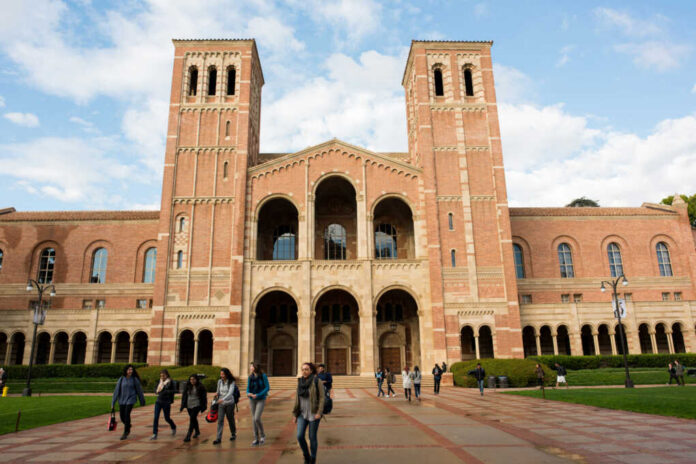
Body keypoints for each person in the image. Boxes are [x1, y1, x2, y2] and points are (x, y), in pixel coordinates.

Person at [293, 362, 325, 464]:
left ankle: (313, 458)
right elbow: (297, 399)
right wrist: (295, 414)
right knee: (299, 436)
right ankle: (306, 455)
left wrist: (319, 412)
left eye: (306, 369)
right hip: (302, 413)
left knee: (312, 437)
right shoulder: (300, 382)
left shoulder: (316, 381)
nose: (304, 371)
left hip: (313, 413)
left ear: (311, 371)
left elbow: (322, 398)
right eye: (302, 369)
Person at [111, 364, 146, 440]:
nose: (130, 371)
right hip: (122, 400)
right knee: (122, 416)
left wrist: (142, 401)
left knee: (127, 414)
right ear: (126, 371)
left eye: (131, 370)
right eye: (129, 369)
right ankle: (128, 425)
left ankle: (126, 432)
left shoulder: (134, 379)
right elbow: (116, 391)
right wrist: (113, 402)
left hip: (131, 399)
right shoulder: (121, 379)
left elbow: (139, 390)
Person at [213, 367, 239, 445]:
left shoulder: (231, 382)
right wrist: (216, 394)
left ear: (227, 374)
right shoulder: (219, 382)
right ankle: (218, 438)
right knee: (220, 420)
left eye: (223, 374)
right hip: (221, 404)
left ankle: (233, 433)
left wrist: (223, 399)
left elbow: (230, 393)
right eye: (221, 374)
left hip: (230, 403)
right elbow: (218, 391)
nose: (222, 376)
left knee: (230, 419)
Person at [247, 362, 270, 446]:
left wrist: (259, 395)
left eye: (251, 366)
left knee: (257, 418)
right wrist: (248, 393)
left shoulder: (263, 376)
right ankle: (256, 438)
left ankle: (263, 435)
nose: (250, 368)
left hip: (260, 398)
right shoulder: (250, 377)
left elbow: (267, 387)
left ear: (255, 367)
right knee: (253, 419)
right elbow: (248, 387)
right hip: (252, 399)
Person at [150, 369, 177, 440]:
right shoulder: (160, 382)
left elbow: (174, 391)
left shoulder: (170, 382)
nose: (162, 377)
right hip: (158, 401)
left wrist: (166, 391)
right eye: (161, 376)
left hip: (166, 402)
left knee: (167, 418)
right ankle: (154, 433)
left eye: (163, 375)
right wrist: (156, 390)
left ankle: (173, 426)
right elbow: (155, 389)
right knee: (156, 417)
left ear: (167, 375)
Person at [180, 374, 207, 442]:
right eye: (191, 379)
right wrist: (182, 405)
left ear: (197, 380)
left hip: (196, 405)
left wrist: (204, 406)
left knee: (192, 419)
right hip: (189, 405)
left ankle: (188, 435)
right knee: (193, 419)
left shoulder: (201, 387)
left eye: (194, 379)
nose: (192, 381)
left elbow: (204, 398)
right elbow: (184, 396)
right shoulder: (188, 386)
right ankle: (197, 431)